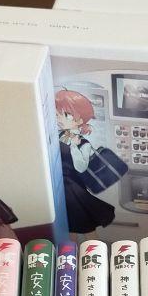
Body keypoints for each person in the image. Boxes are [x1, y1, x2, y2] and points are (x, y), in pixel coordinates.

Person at [55, 89, 117, 234]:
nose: (59, 118)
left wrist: (74, 147)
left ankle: (93, 248)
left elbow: (81, 167)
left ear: (80, 120)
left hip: (72, 186)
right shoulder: (59, 134)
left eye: (66, 115)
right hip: (59, 184)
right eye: (57, 113)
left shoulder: (84, 143)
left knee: (83, 222)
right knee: (68, 224)